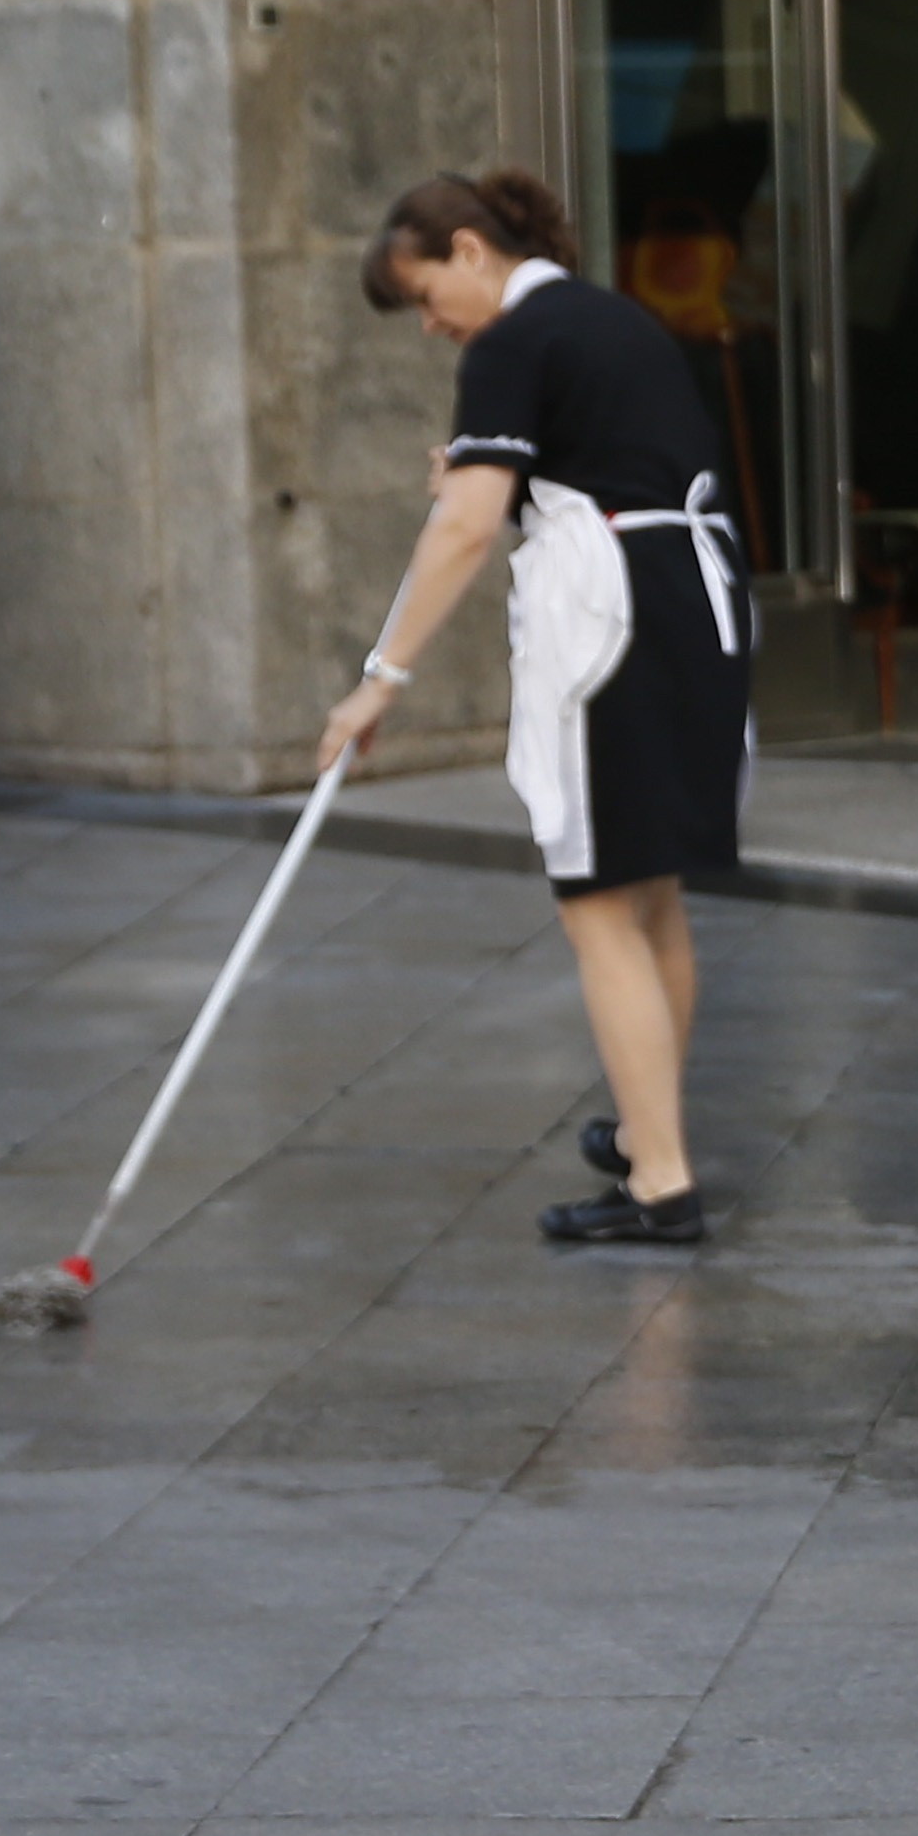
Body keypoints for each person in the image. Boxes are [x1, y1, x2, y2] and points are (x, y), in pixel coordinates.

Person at [323, 170, 754, 1249]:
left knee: (599, 901)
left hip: (612, 623)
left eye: (427, 296)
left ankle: (658, 1177)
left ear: (470, 250)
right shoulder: (610, 318)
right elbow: (575, 466)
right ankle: (648, 1133)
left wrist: (384, 675)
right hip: (694, 606)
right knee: (649, 894)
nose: (430, 325)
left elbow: (469, 526)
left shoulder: (511, 343)